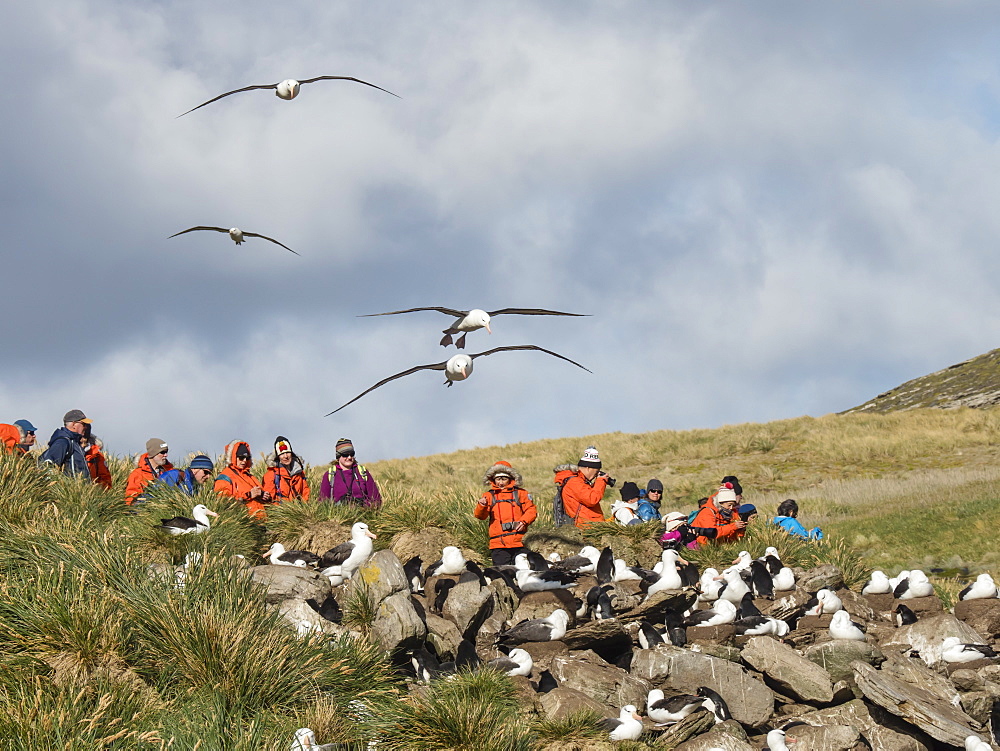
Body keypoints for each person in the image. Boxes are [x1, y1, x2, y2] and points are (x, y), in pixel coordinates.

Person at [473, 460, 538, 565]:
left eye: (504, 479)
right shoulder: (488, 496)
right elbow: (480, 516)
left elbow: (531, 510)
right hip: (498, 545)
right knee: (503, 574)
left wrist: (524, 522)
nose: (500, 482)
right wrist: (482, 506)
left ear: (510, 479)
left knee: (524, 571)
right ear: (493, 479)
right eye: (498, 479)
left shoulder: (521, 493)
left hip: (520, 542)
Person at [215, 440, 272, 519]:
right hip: (244, 524)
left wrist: (264, 496)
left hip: (262, 523)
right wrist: (248, 495)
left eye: (247, 458)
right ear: (233, 457)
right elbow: (223, 502)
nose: (244, 460)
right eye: (241, 457)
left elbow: (260, 499)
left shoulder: (251, 477)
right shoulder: (225, 477)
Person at [561, 446, 614, 528]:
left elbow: (587, 496)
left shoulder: (580, 482)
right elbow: (592, 499)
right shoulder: (574, 482)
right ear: (588, 468)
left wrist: (597, 483)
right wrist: (600, 481)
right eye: (596, 472)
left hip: (590, 526)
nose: (596, 475)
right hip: (585, 528)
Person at [319, 438, 381, 508]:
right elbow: (323, 502)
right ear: (338, 456)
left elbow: (376, 499)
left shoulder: (362, 472)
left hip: (364, 515)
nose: (349, 457)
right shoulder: (330, 475)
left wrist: (364, 507)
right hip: (338, 517)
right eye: (345, 454)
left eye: (352, 454)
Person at [40, 409, 92, 477]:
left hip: (78, 487)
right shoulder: (63, 442)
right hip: (71, 487)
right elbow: (49, 465)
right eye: (83, 424)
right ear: (73, 424)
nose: (85, 427)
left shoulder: (74, 442)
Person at [125, 438, 174, 505]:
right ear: (153, 454)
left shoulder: (170, 471)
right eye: (162, 452)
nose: (166, 455)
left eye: (166, 452)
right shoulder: (137, 474)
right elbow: (131, 500)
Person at [262, 436, 310, 502]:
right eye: (282, 454)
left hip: (299, 510)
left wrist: (303, 509)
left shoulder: (300, 472)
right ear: (278, 456)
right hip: (280, 510)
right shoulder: (271, 475)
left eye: (287, 452)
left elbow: (305, 492)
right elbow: (269, 501)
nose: (285, 456)